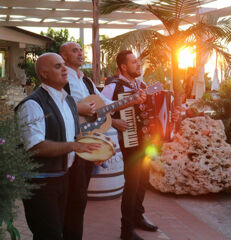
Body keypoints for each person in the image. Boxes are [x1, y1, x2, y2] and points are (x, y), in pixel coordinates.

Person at [59, 42, 145, 240]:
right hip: (71, 143)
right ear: (63, 55)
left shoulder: (86, 81)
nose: (80, 53)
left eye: (81, 50)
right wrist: (80, 110)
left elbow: (104, 105)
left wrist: (129, 101)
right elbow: (62, 106)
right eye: (74, 50)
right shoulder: (63, 80)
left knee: (79, 199)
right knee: (72, 199)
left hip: (87, 142)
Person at [15, 53, 101, 240]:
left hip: (64, 178)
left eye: (64, 65)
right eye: (57, 66)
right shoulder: (32, 105)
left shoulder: (69, 100)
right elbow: (34, 146)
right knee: (48, 234)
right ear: (44, 74)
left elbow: (74, 137)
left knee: (64, 228)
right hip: (40, 183)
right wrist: (74, 146)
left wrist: (92, 154)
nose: (64, 69)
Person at [101, 50, 157, 240]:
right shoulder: (112, 87)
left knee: (143, 182)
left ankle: (138, 217)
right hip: (127, 142)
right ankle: (126, 230)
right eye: (134, 62)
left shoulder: (142, 86)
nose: (138, 65)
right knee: (132, 185)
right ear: (123, 67)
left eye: (138, 62)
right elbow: (99, 112)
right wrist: (115, 123)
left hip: (145, 142)